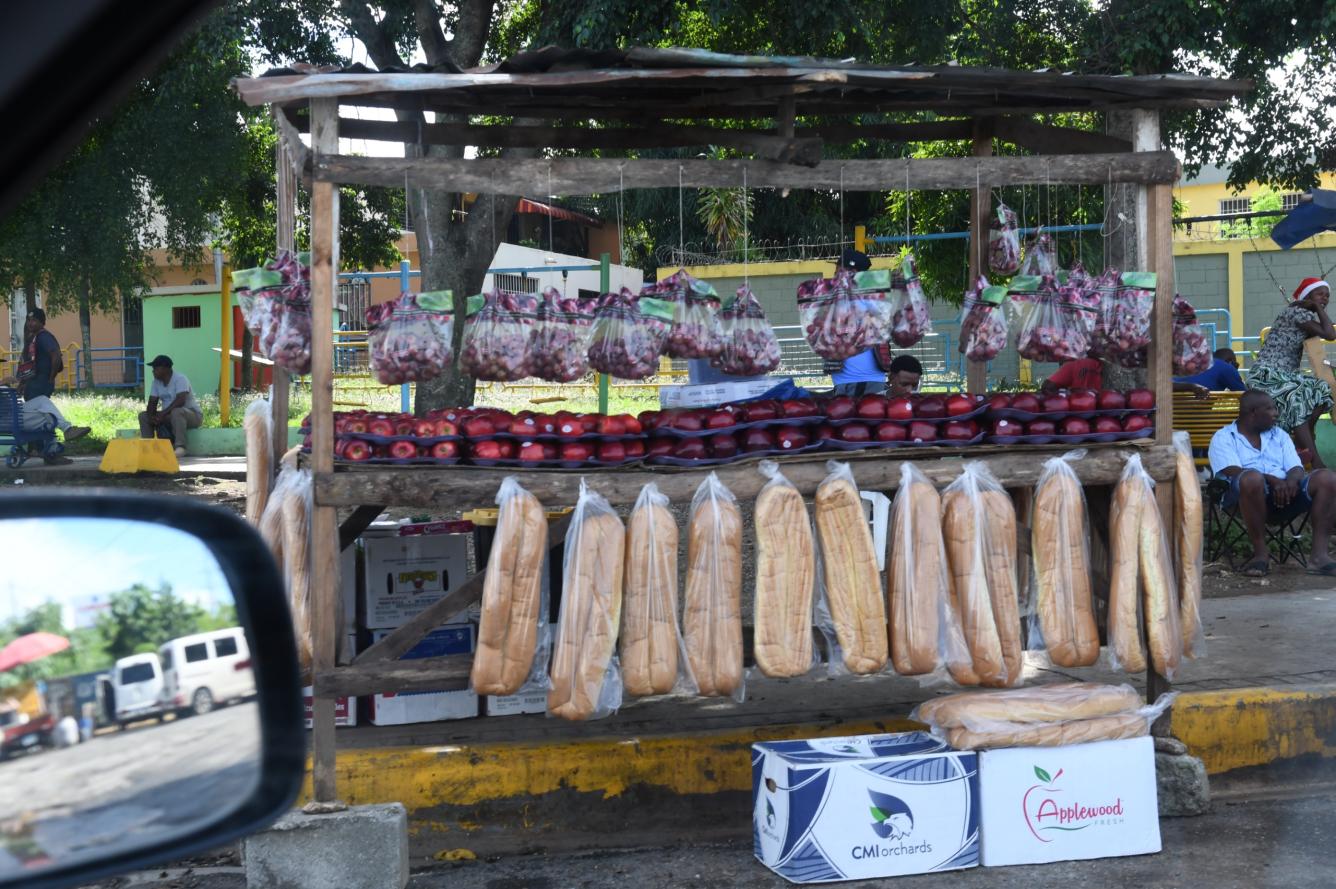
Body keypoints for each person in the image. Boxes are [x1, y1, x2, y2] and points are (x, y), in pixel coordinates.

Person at [1208, 389, 1336, 577]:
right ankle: (1260, 556)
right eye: (1270, 409)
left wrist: (1291, 482)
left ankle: (1319, 557)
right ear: (1253, 412)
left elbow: (1295, 467)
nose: (1276, 413)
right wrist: (1272, 480)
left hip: (1286, 494)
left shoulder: (1279, 435)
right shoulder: (1224, 437)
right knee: (1252, 479)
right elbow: (1231, 471)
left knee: (1328, 478)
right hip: (1243, 498)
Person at [1247, 277, 1336, 468]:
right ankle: (1316, 461)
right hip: (1266, 374)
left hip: (1286, 376)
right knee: (1295, 398)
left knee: (1321, 388)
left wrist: (1316, 307)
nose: (1325, 298)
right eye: (1319, 294)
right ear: (1307, 297)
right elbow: (1330, 334)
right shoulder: (1296, 312)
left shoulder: (1306, 318)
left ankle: (1302, 440)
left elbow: (1327, 332)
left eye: (1327, 296)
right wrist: (1319, 308)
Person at [1043, 355, 1210, 398]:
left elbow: (1047, 387)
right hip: (1116, 426)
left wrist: (1064, 398)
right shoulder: (1077, 364)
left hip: (1081, 425)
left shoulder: (1074, 364)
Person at [138, 354, 202, 457]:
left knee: (177, 411)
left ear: (165, 368)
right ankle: (148, 447)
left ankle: (180, 447)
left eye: (155, 368)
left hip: (193, 415)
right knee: (143, 416)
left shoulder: (180, 379)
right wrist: (152, 416)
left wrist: (162, 414)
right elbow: (152, 403)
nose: (153, 371)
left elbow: (180, 401)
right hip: (169, 415)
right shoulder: (156, 383)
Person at [1175, 347, 1247, 392]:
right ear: (1230, 361)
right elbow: (1244, 395)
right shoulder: (1226, 367)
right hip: (1197, 413)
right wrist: (1234, 371)